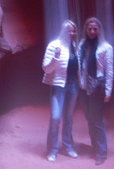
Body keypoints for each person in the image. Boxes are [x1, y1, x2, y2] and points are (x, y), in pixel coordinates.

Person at [42, 20, 79, 162]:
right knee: (56, 118)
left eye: (74, 31)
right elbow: (46, 68)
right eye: (69, 30)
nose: (71, 33)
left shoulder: (74, 46)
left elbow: (78, 68)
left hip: (73, 86)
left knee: (68, 119)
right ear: (63, 31)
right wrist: (56, 58)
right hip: (58, 86)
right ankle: (52, 150)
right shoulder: (54, 45)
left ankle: (68, 146)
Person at [78, 17, 114, 165]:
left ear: (99, 30)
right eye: (89, 29)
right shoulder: (82, 45)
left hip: (97, 86)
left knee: (97, 120)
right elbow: (80, 65)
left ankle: (101, 152)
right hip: (83, 86)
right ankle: (95, 146)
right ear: (86, 30)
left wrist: (108, 91)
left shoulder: (106, 47)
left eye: (95, 29)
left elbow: (109, 71)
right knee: (89, 118)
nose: (92, 31)